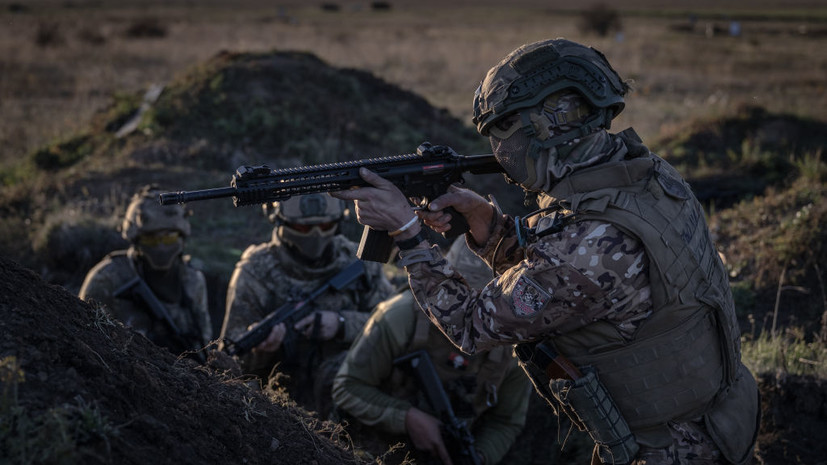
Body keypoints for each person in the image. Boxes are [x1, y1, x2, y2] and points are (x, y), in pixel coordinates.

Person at [332, 38, 760, 465]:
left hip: (667, 450)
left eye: (505, 133)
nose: (503, 152)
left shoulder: (587, 246)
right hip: (719, 419)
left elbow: (471, 328)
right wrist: (490, 226)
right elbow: (570, 280)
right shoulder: (648, 176)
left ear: (538, 131)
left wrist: (407, 233)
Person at [332, 238, 531, 465]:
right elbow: (347, 387)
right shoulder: (399, 317)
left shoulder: (514, 350)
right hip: (374, 446)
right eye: (464, 296)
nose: (473, 312)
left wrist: (480, 456)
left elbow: (505, 422)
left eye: (486, 304)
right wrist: (407, 418)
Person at [220, 192, 393, 416]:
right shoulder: (255, 272)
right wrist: (261, 351)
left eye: (325, 225)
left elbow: (392, 326)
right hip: (279, 403)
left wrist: (341, 324)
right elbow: (230, 359)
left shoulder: (358, 262)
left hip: (350, 393)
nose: (315, 234)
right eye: (303, 229)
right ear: (280, 222)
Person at [79, 185, 212, 359]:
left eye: (169, 238)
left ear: (181, 237)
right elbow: (82, 339)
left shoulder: (192, 280)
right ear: (136, 239)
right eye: (151, 239)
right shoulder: (107, 278)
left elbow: (204, 342)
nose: (162, 246)